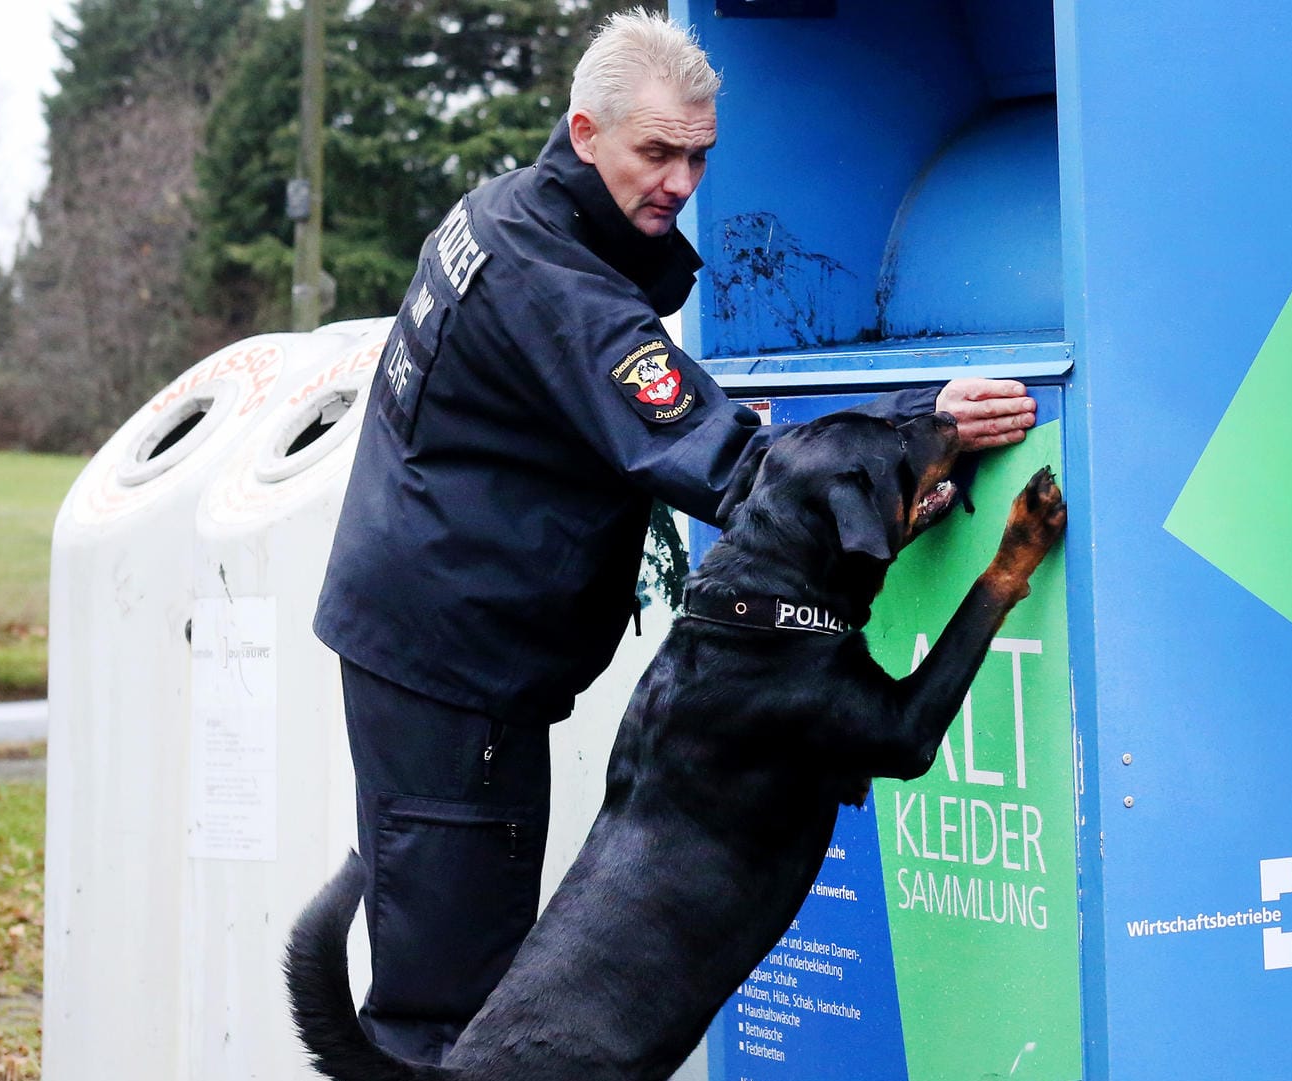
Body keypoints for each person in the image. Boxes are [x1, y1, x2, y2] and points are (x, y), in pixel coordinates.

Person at [313, 10, 1036, 1064]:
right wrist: (915, 432)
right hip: (453, 665)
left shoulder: (508, 213)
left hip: (426, 637)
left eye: (699, 157)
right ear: (585, 128)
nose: (681, 181)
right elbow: (719, 454)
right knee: (451, 1014)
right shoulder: (551, 276)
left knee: (465, 998)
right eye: (656, 152)